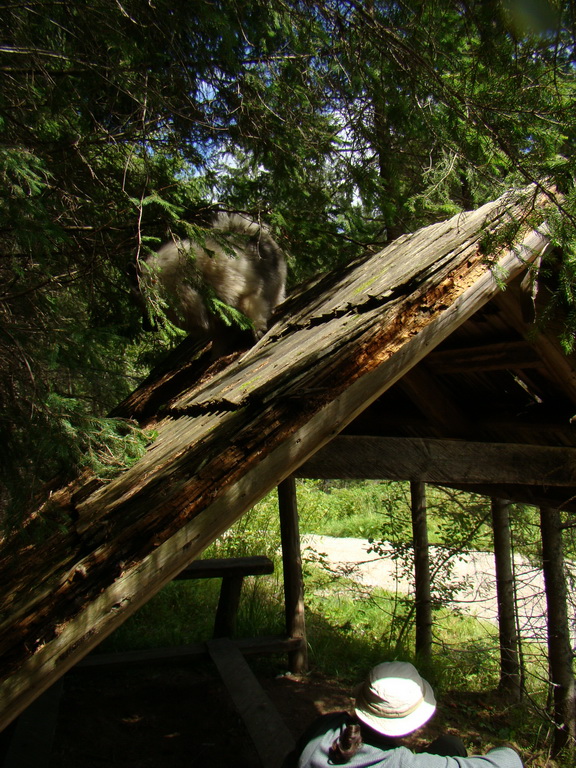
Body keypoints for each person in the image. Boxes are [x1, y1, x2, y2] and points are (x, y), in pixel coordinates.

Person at [283, 661, 523, 767]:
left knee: (449, 745)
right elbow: (508, 763)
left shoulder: (327, 725)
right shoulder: (400, 763)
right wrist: (507, 749)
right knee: (453, 747)